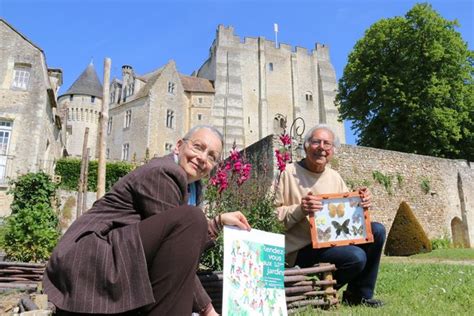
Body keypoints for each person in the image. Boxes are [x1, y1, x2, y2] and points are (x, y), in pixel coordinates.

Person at [44, 125, 250, 315]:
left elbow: (180, 243)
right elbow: (179, 244)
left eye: (212, 156)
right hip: (92, 256)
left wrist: (217, 222)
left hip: (116, 252)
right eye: (198, 147)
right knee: (192, 218)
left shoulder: (193, 188)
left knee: (191, 219)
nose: (203, 158)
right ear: (178, 146)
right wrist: (208, 310)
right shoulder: (164, 172)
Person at [275, 124, 386, 307]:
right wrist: (300, 209)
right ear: (305, 146)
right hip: (300, 249)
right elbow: (271, 217)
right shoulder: (287, 173)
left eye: (327, 144)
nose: (321, 148)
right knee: (356, 257)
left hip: (330, 241)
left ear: (333, 150)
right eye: (316, 142)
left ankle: (358, 295)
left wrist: (359, 201)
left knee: (377, 230)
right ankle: (315, 293)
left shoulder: (334, 176)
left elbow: (345, 217)